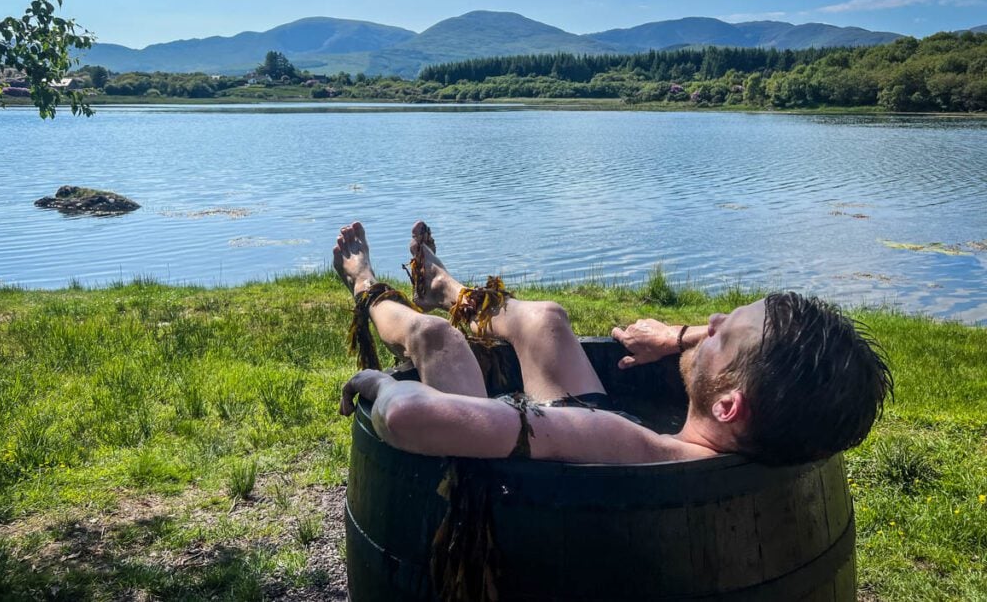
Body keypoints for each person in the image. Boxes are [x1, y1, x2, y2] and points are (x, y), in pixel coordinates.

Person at [333, 221, 892, 466]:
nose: (712, 319)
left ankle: (365, 287)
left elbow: (406, 417)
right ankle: (444, 287)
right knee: (546, 320)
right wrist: (687, 340)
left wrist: (384, 384)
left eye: (724, 332)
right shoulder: (772, 442)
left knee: (434, 338)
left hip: (512, 479)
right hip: (592, 437)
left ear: (729, 406)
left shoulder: (618, 439)